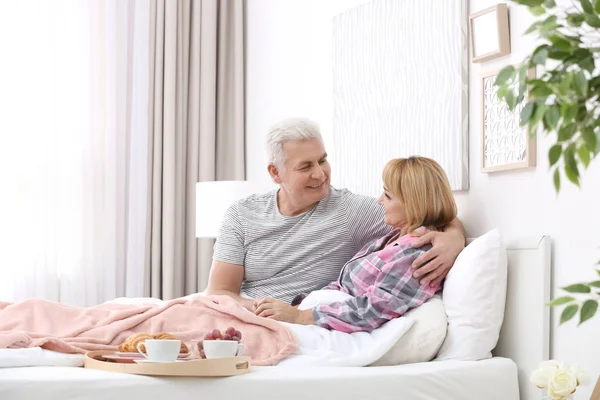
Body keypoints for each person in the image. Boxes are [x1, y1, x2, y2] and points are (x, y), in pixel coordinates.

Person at [205, 118, 465, 311]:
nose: (319, 173)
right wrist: (262, 311)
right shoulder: (241, 214)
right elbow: (219, 292)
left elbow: (426, 211)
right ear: (275, 172)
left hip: (297, 321)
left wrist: (453, 239)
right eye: (305, 166)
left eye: (322, 160)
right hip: (246, 314)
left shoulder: (350, 212)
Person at [252, 156, 457, 332]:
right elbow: (344, 285)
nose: (379, 201)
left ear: (414, 204)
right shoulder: (393, 236)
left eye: (387, 195)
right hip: (315, 308)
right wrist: (297, 307)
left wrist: (301, 316)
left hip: (328, 322)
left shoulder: (417, 253)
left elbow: (376, 308)